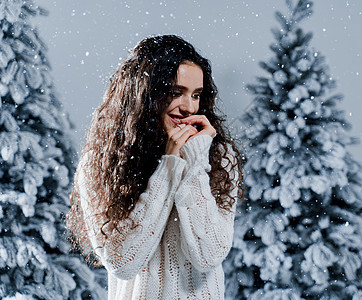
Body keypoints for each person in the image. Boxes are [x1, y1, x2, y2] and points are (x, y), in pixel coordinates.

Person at [66, 35, 243, 299]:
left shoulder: (218, 155)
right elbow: (123, 262)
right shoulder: (101, 161)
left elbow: (210, 254)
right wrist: (169, 167)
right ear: (145, 92)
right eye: (175, 93)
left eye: (196, 95)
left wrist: (194, 162)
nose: (189, 107)